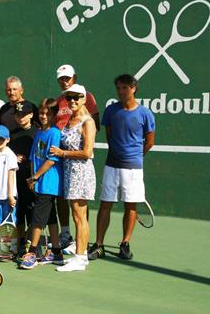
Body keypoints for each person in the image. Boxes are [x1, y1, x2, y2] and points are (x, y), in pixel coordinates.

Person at [88, 74, 155, 261]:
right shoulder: (111, 111)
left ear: (134, 88)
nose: (120, 91)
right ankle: (99, 244)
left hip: (133, 168)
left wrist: (134, 156)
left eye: (124, 87)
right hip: (112, 165)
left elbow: (150, 141)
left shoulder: (145, 114)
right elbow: (110, 136)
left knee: (130, 205)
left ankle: (125, 243)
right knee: (105, 204)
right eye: (118, 88)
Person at [50, 84, 96, 272]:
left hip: (81, 172)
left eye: (77, 97)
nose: (73, 101)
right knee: (77, 215)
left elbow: (87, 152)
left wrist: (62, 153)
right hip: (70, 172)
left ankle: (80, 257)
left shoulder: (87, 122)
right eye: (69, 98)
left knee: (79, 216)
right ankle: (81, 255)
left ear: (84, 99)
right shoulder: (70, 120)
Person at [54, 64, 100, 249]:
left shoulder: (86, 100)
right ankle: (66, 235)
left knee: (80, 210)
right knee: (69, 205)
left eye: (68, 78)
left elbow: (92, 129)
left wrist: (67, 149)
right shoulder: (60, 100)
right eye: (61, 78)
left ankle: (81, 247)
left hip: (78, 162)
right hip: (64, 159)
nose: (65, 81)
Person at [20, 98, 64, 269]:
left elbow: (51, 160)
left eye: (48, 113)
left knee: (37, 219)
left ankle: (32, 253)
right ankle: (57, 252)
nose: (44, 116)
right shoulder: (39, 133)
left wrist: (35, 177)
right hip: (38, 182)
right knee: (51, 217)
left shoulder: (55, 133)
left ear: (54, 115)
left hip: (49, 183)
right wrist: (32, 177)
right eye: (42, 113)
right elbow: (33, 158)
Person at [9, 101, 38, 257]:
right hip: (17, 180)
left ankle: (31, 241)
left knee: (33, 214)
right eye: (18, 114)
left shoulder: (37, 133)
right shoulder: (12, 135)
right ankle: (21, 242)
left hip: (32, 181)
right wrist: (14, 157)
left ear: (31, 115)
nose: (20, 117)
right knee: (19, 213)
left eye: (24, 114)